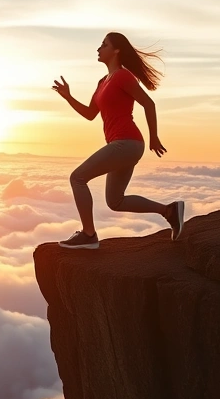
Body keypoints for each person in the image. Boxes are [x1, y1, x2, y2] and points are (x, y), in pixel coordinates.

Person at [51, 32, 184, 249]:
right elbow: (89, 114)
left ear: (116, 50)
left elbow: (149, 104)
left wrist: (154, 137)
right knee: (115, 202)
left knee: (77, 178)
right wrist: (68, 96)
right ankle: (169, 210)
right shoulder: (103, 81)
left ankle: (89, 235)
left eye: (103, 45)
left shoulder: (123, 76)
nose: (98, 49)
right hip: (122, 146)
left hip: (126, 143)